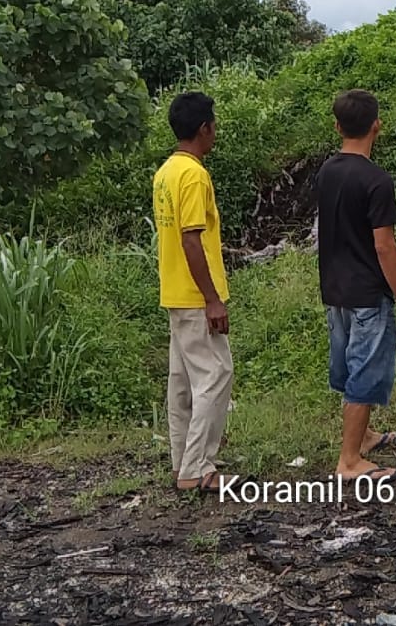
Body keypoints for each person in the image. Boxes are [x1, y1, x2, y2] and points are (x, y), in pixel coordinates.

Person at [314, 89, 396, 481]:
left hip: (335, 288)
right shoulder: (376, 180)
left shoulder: (326, 172)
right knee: (364, 370)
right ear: (377, 124)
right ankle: (349, 461)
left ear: (337, 126)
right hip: (366, 291)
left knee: (347, 366)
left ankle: (365, 436)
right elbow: (384, 244)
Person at [153, 91, 239, 493]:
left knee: (183, 382)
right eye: (214, 125)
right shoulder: (194, 175)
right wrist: (212, 298)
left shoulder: (166, 172)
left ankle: (181, 462)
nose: (215, 132)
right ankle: (197, 469)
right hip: (193, 295)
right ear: (204, 128)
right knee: (216, 375)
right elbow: (191, 239)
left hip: (174, 291)